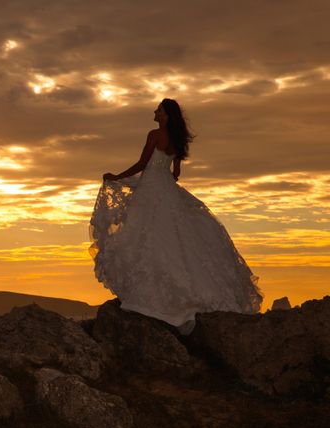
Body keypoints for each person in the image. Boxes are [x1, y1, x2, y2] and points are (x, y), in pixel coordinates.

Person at [89, 98, 263, 335]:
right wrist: (164, 181)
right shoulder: (178, 139)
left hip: (151, 188)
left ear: (166, 115)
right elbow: (176, 173)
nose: (155, 111)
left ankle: (151, 297)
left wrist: (117, 177)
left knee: (146, 236)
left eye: (159, 110)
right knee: (175, 237)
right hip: (166, 188)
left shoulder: (154, 134)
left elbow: (142, 163)